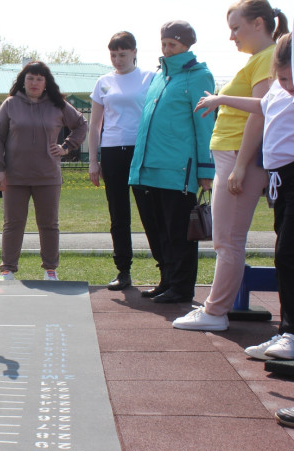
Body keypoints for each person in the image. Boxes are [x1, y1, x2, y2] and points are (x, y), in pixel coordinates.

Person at [174, 1, 288, 328]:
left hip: (241, 156)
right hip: (233, 155)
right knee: (226, 239)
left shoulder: (268, 58)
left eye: (236, 28)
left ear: (258, 24)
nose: (231, 37)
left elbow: (261, 112)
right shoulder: (260, 59)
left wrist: (241, 167)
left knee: (227, 240)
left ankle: (215, 311)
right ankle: (215, 308)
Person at [194, 34, 294, 359]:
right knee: (285, 255)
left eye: (291, 79)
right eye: (282, 78)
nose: (287, 85)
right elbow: (261, 105)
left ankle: (290, 334)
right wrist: (221, 100)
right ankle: (288, 332)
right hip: (282, 180)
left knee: (289, 254)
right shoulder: (279, 90)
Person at [128, 21, 215, 303]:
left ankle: (182, 286)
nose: (167, 50)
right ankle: (167, 279)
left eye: (173, 45)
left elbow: (205, 126)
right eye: (164, 44)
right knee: (157, 230)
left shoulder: (199, 76)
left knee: (179, 231)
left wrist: (205, 169)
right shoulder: (159, 77)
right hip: (147, 169)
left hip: (178, 170)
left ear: (187, 46)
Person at [0, 61, 88, 282]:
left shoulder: (58, 105)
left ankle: (50, 269)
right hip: (15, 176)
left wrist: (66, 147)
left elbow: (81, 125)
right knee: (13, 223)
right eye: (30, 78)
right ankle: (7, 269)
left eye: (39, 79)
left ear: (46, 83)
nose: (34, 83)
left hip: (48, 176)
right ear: (23, 81)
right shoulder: (10, 104)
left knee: (49, 224)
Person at [89, 31, 156, 291]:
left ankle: (165, 269)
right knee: (119, 214)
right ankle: (123, 270)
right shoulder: (103, 82)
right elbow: (95, 125)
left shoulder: (150, 78)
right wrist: (94, 161)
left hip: (141, 151)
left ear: (135, 52)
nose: (117, 60)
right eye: (113, 55)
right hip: (113, 151)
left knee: (150, 211)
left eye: (123, 54)